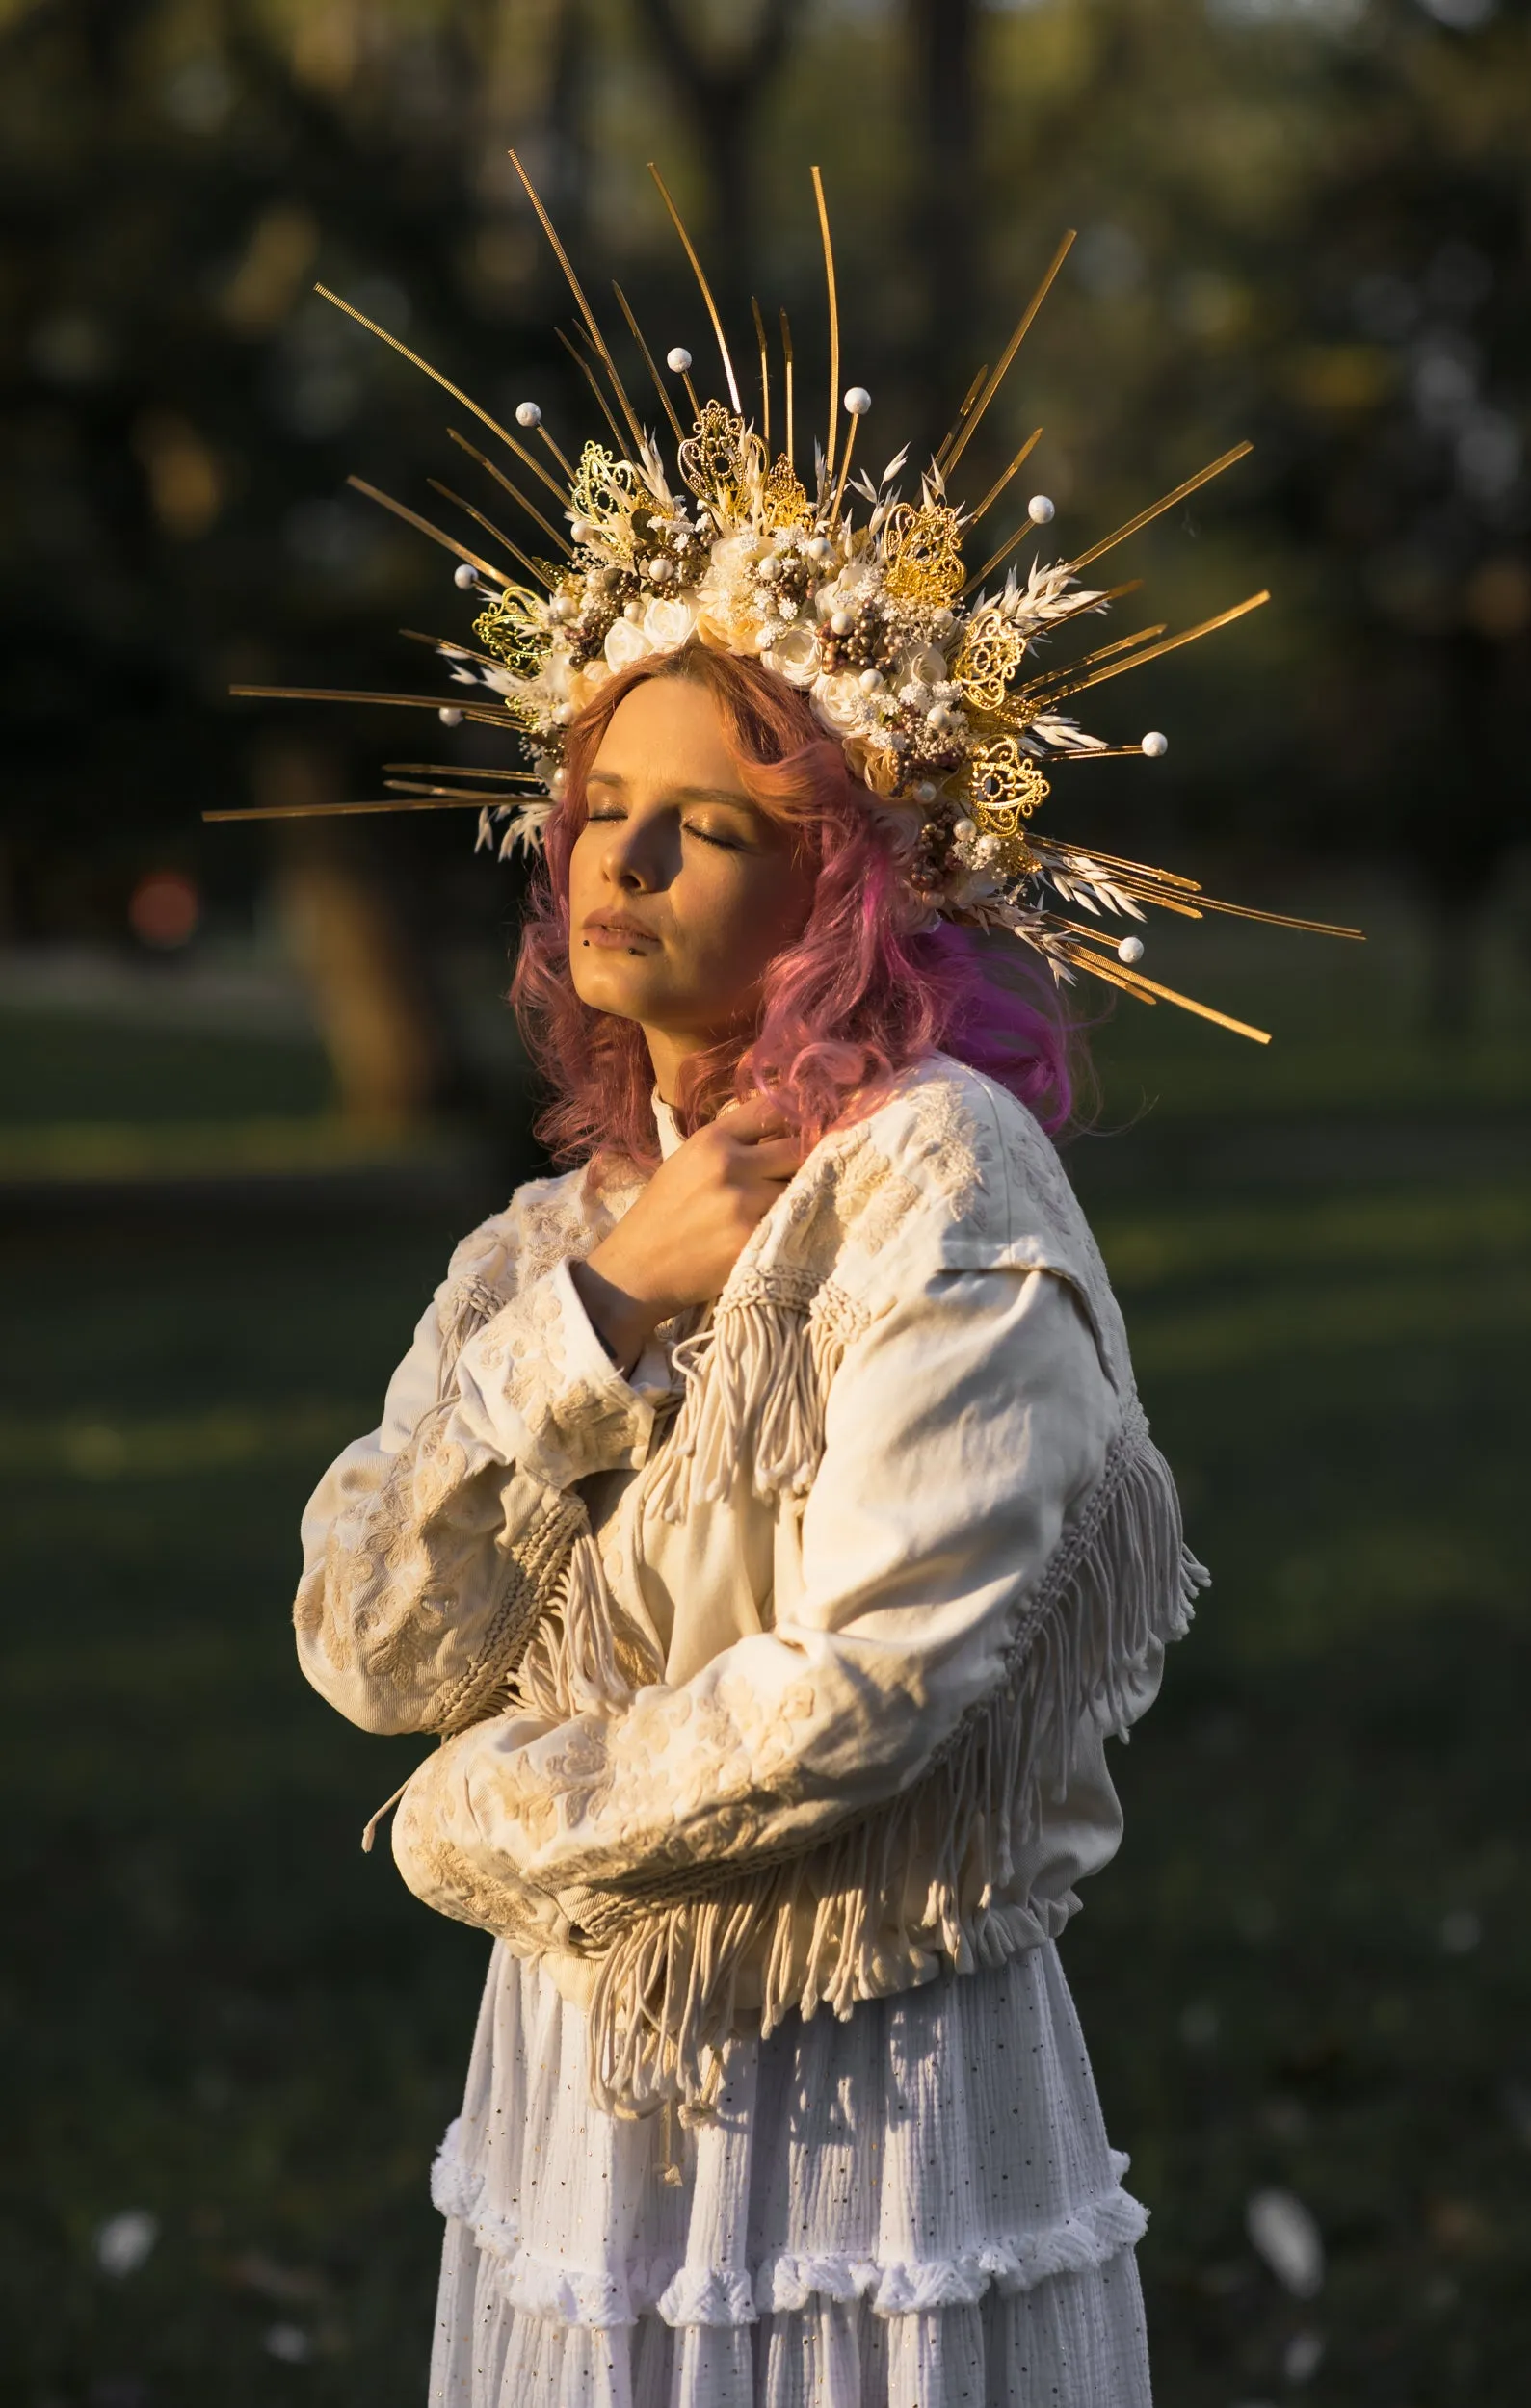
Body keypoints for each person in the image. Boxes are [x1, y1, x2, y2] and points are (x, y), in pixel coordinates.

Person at [294, 635, 1204, 2407]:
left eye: (701, 825)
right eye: (600, 811)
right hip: (576, 2073)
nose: (616, 868)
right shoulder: (562, 1231)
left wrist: (481, 1823)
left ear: (844, 886)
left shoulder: (940, 1178)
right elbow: (371, 1646)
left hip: (849, 2081)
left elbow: (869, 1681)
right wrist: (602, 1313)